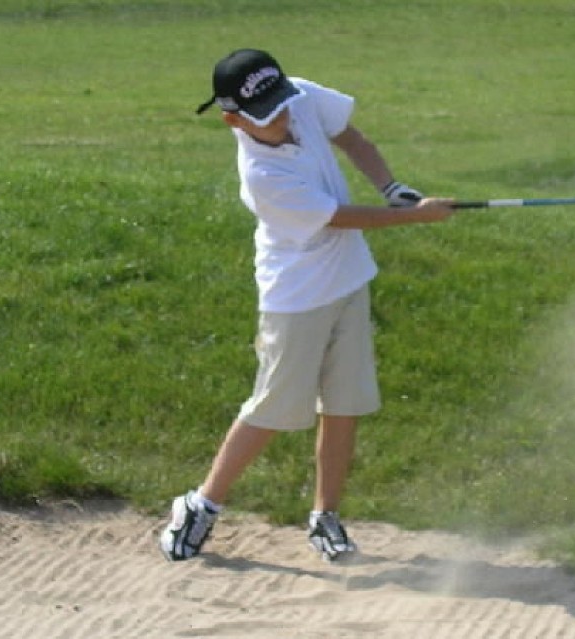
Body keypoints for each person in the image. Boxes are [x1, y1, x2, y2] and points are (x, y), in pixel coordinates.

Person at [160, 48, 456, 562]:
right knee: (273, 408)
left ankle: (326, 518)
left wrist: (392, 187)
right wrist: (415, 218)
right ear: (232, 119)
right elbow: (337, 217)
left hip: (348, 279)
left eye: (280, 103)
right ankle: (202, 504)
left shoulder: (294, 94)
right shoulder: (262, 176)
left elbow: (349, 135)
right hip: (296, 296)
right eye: (263, 114)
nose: (279, 117)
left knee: (344, 405)